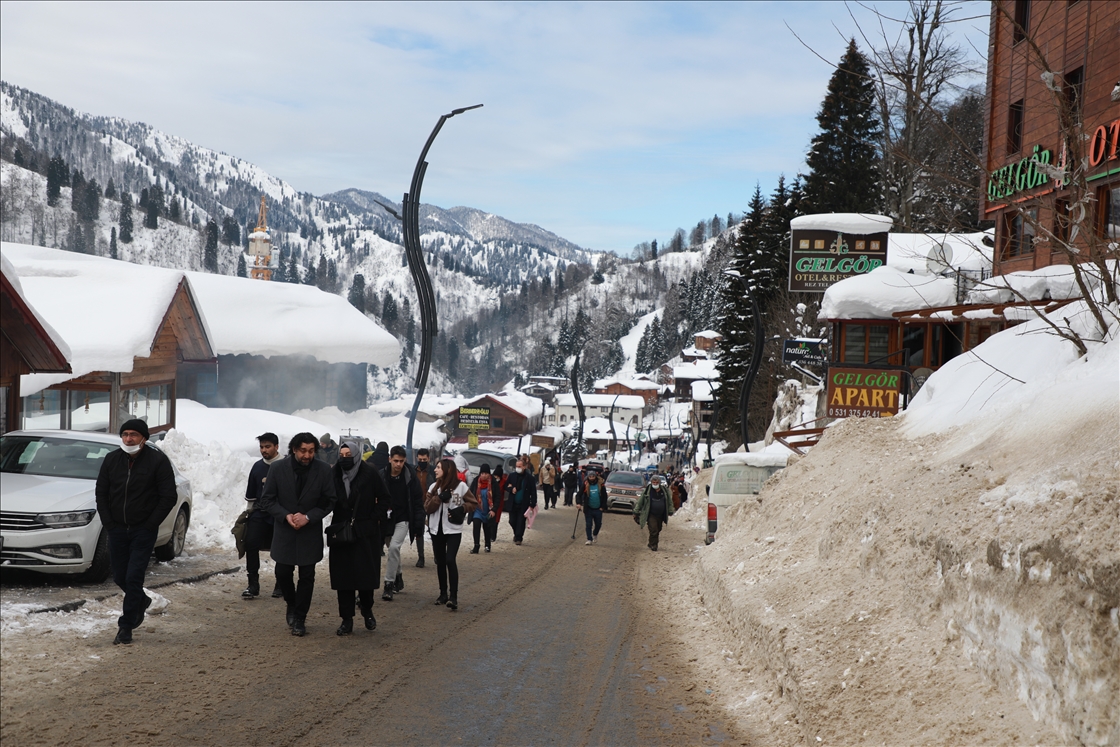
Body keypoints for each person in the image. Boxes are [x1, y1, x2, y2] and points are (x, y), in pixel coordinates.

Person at [95, 419, 178, 645]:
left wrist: (151, 523)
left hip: (143, 530)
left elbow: (168, 495)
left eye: (133, 435)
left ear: (143, 438)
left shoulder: (157, 461)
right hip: (117, 529)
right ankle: (140, 600)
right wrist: (109, 523)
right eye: (125, 434)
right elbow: (101, 493)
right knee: (120, 576)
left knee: (133, 577)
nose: (128, 439)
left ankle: (126, 626)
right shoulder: (112, 460)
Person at [259, 432, 336, 636]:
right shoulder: (277, 468)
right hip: (285, 530)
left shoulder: (323, 470)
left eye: (311, 451)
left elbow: (329, 501)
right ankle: (291, 604)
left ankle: (300, 618)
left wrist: (309, 517)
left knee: (307, 576)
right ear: (294, 449)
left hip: (309, 532)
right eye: (303, 451)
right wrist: (286, 516)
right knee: (282, 573)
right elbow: (267, 500)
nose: (307, 455)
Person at [328, 440, 389, 635]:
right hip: (341, 532)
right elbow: (325, 498)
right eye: (341, 455)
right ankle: (346, 619)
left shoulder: (369, 473)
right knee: (343, 578)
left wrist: (373, 518)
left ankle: (367, 609)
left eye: (348, 455)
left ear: (356, 455)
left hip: (365, 532)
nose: (344, 459)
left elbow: (385, 498)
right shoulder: (334, 474)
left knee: (365, 576)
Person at [424, 457, 478, 610]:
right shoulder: (434, 487)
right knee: (440, 561)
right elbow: (427, 508)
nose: (435, 470)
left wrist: (461, 509)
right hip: (436, 530)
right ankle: (443, 594)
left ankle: (453, 596)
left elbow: (473, 503)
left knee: (450, 559)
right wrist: (439, 499)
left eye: (438, 467)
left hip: (453, 529)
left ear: (447, 469)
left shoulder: (460, 487)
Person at [242, 432, 283, 599]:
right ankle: (253, 584)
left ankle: (281, 584)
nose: (264, 450)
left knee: (281, 549)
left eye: (267, 447)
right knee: (250, 544)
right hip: (259, 513)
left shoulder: (285, 466)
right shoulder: (257, 467)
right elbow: (251, 495)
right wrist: (248, 514)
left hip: (280, 515)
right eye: (261, 447)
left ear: (276, 447)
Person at [381, 446, 423, 601]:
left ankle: (388, 584)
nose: (398, 464)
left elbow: (418, 501)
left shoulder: (410, 477)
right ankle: (398, 576)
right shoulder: (382, 476)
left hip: (403, 518)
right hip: (386, 518)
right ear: (390, 459)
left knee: (394, 547)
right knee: (392, 549)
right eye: (396, 461)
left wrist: (418, 524)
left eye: (401, 461)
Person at [634, 472, 674, 551]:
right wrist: (636, 511)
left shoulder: (664, 491)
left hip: (661, 515)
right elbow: (640, 501)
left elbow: (669, 501)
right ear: (651, 482)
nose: (655, 484)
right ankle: (654, 545)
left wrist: (670, 510)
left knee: (658, 529)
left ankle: (650, 542)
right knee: (654, 530)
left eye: (656, 482)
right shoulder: (648, 491)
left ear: (659, 483)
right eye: (653, 482)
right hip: (651, 514)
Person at [503, 458, 537, 545]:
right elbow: (506, 485)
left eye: (519, 466)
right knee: (512, 521)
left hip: (524, 504)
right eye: (516, 466)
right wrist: (511, 489)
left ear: (524, 467)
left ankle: (519, 538)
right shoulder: (512, 476)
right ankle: (516, 533)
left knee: (521, 522)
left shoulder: (529, 478)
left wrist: (532, 504)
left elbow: (533, 492)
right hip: (513, 503)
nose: (517, 468)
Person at [468, 464, 499, 553]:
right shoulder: (476, 481)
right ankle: (476, 546)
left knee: (487, 528)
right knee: (476, 526)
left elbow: (497, 497)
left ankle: (487, 544)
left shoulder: (493, 483)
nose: (484, 475)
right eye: (482, 473)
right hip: (477, 509)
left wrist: (494, 510)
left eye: (486, 473)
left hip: (488, 510)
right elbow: (470, 493)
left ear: (489, 474)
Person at [413, 448, 435, 568]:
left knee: (434, 530)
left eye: (424, 460)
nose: (422, 461)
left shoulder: (433, 471)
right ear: (417, 459)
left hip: (431, 504)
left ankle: (437, 555)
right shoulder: (413, 471)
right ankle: (421, 557)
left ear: (428, 459)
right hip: (418, 504)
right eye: (420, 459)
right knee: (419, 530)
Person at [576, 468, 606, 546]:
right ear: (588, 477)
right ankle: (589, 539)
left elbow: (604, 496)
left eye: (593, 476)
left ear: (595, 476)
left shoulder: (601, 484)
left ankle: (595, 534)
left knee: (598, 524)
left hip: (598, 508)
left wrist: (602, 507)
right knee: (588, 524)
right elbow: (578, 494)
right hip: (588, 508)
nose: (592, 478)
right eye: (590, 477)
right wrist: (579, 503)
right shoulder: (586, 484)